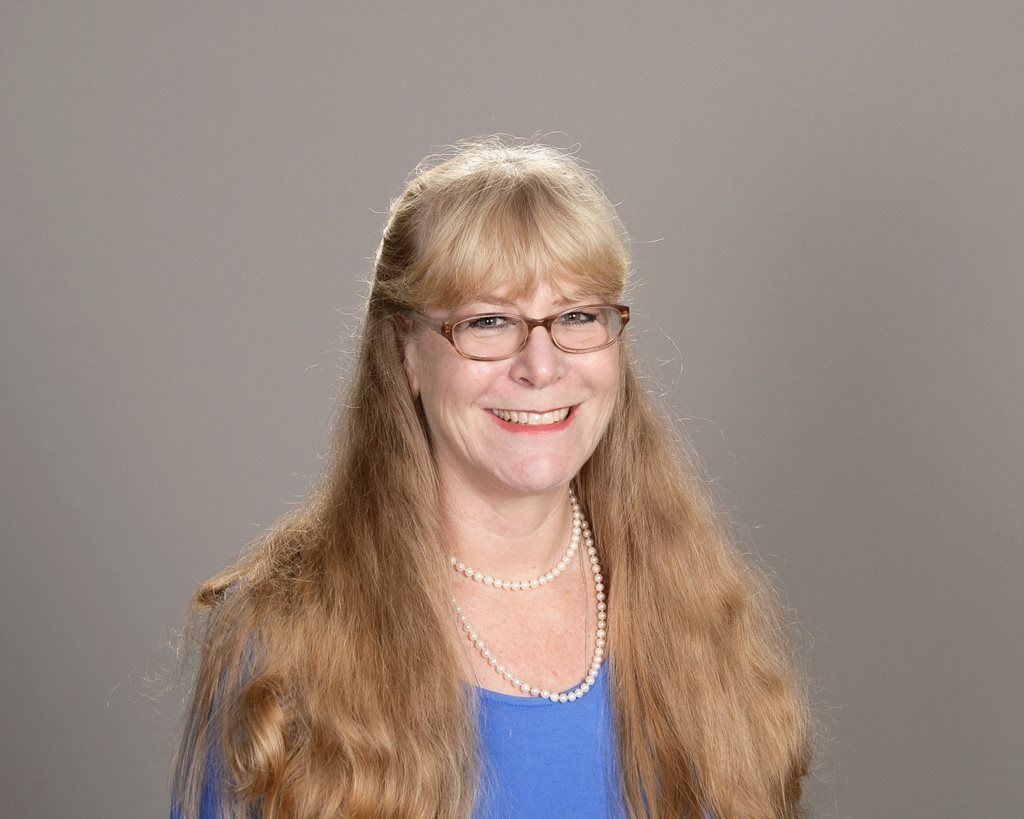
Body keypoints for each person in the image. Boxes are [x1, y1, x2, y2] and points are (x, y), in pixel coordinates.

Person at [171, 136, 814, 819]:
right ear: (405, 352)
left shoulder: (699, 617)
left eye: (577, 315)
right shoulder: (284, 643)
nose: (541, 365)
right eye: (488, 321)